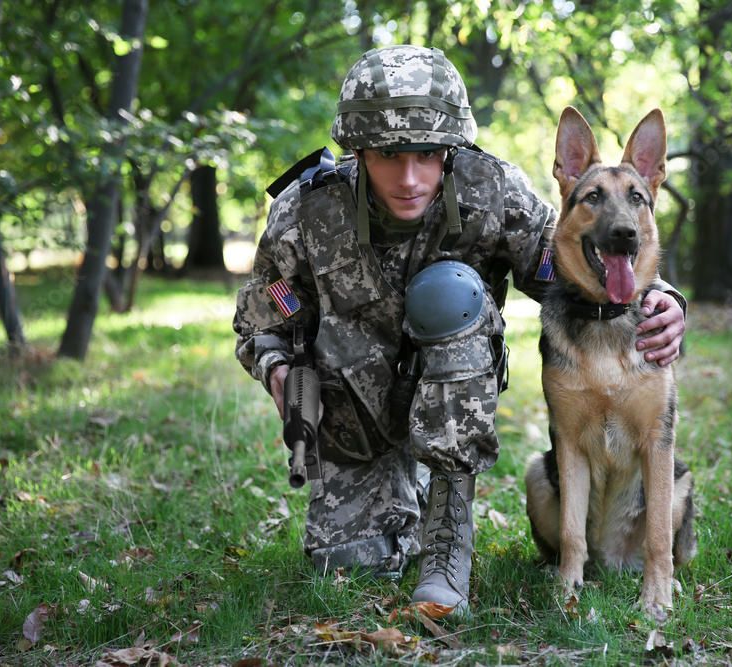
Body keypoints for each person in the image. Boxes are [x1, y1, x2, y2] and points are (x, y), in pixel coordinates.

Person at [232, 44, 687, 616]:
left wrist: (665, 297)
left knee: (453, 295)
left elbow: (580, 259)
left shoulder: (491, 190)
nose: (409, 177)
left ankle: (447, 523)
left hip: (452, 400)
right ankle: (403, 490)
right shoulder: (306, 212)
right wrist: (276, 371)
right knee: (349, 568)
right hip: (353, 418)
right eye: (388, 155)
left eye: (427, 154)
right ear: (357, 151)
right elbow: (258, 325)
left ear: (451, 150)